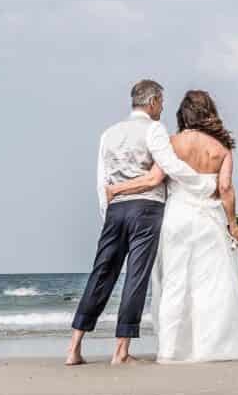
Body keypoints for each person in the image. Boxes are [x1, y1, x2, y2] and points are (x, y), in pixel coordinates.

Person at [103, 89, 238, 363]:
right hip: (208, 223)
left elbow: (152, 179)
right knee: (210, 285)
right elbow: (226, 188)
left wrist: (117, 189)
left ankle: (170, 350)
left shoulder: (172, 143)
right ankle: (209, 348)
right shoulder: (221, 149)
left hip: (176, 220)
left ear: (184, 114)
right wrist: (233, 224)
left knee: (173, 284)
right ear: (210, 113)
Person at [66, 79, 174, 366]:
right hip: (147, 208)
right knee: (135, 277)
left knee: (101, 273)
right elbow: (164, 171)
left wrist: (108, 211)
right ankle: (121, 351)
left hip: (115, 210)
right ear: (151, 102)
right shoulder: (155, 130)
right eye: (161, 102)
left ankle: (74, 347)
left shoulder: (109, 133)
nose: (162, 107)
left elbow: (102, 178)